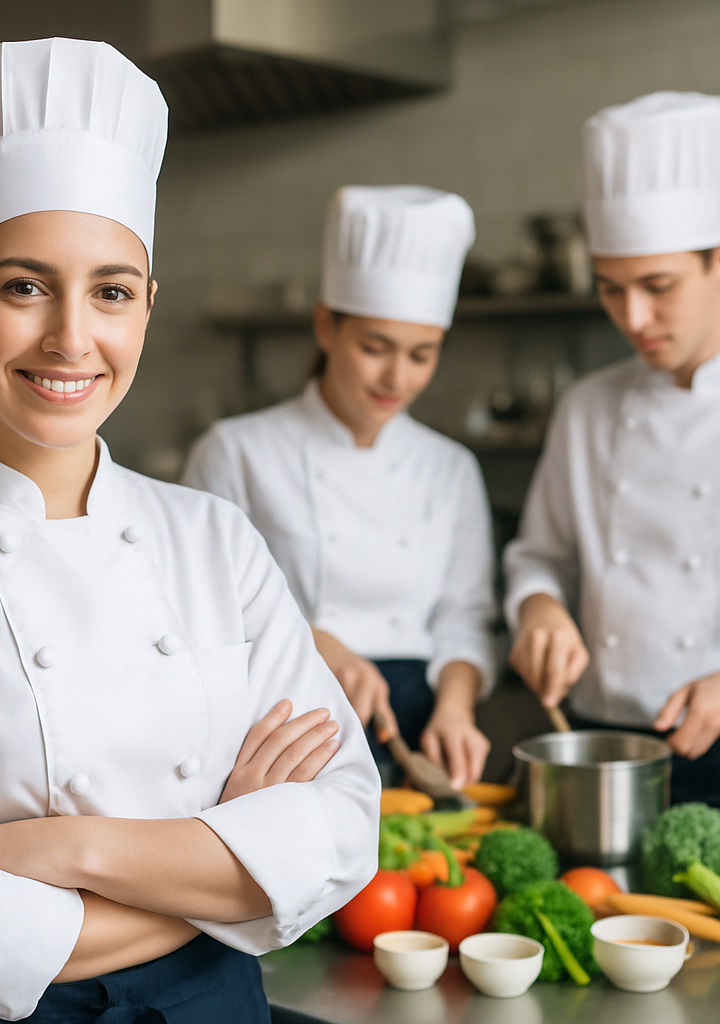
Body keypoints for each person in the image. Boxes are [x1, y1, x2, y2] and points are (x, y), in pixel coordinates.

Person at [0, 38, 380, 1022]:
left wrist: (75, 850)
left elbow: (343, 835)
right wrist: (226, 857)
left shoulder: (215, 538)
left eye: (110, 290)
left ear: (146, 307)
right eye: (24, 286)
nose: (73, 337)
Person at [184, 186, 497, 790]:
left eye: (421, 355)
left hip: (415, 733)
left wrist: (456, 708)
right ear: (327, 327)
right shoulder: (236, 450)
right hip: (284, 731)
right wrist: (315, 641)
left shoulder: (450, 466)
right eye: (376, 348)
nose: (396, 377)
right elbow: (202, 612)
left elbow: (466, 617)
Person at [505, 92, 720, 807]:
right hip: (599, 739)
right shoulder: (588, 406)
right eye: (610, 289)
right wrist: (539, 608)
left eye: (658, 288)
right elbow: (542, 554)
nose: (632, 318)